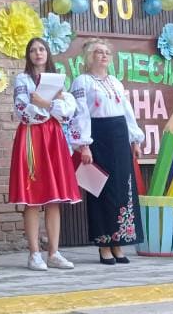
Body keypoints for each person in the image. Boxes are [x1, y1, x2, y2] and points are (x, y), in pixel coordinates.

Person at [69, 38, 144, 265]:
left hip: (119, 136)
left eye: (106, 53)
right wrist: (84, 144)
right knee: (101, 189)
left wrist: (135, 139)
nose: (103, 56)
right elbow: (80, 113)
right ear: (89, 57)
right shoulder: (82, 81)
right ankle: (104, 245)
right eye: (98, 52)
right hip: (98, 137)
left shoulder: (115, 82)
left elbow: (127, 112)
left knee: (122, 187)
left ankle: (118, 242)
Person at [8, 37, 81, 271]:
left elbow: (67, 113)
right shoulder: (23, 79)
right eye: (33, 50)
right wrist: (48, 106)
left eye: (41, 49)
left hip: (53, 137)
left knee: (53, 198)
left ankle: (54, 253)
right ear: (28, 55)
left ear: (48, 53)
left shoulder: (57, 79)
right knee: (32, 197)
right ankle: (34, 253)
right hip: (32, 136)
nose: (38, 53)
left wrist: (44, 103)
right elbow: (22, 111)